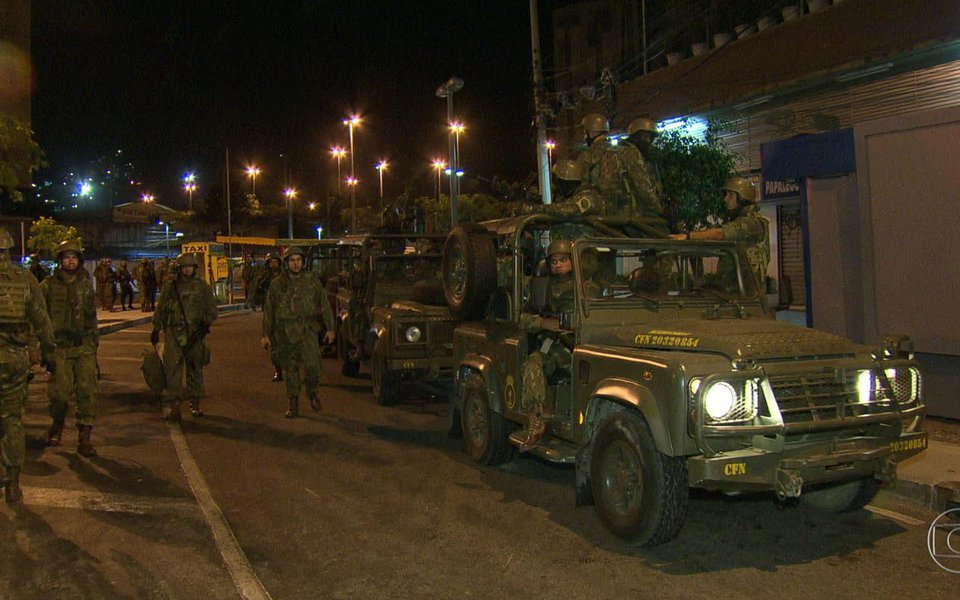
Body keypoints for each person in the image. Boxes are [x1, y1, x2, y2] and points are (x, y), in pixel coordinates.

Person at [0, 228, 56, 503]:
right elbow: (42, 321)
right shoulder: (25, 279)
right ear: (9, 250)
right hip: (13, 360)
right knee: (12, 418)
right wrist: (49, 354)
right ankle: (12, 482)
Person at [261, 246, 336, 418]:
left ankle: (312, 392)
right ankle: (293, 404)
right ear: (286, 263)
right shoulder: (277, 284)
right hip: (286, 332)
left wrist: (331, 328)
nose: (296, 264)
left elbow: (324, 304)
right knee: (290, 369)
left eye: (298, 260)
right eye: (292, 260)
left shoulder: (311, 280)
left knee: (313, 366)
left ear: (303, 262)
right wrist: (265, 334)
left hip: (307, 330)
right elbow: (269, 310)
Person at [40, 239, 99, 457]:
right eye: (66, 257)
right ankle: (57, 424)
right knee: (59, 395)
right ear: (60, 261)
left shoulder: (86, 285)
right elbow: (39, 317)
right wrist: (41, 348)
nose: (70, 261)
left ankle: (84, 437)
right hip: (59, 348)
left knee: (87, 392)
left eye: (74, 257)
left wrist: (94, 346)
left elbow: (92, 317)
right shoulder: (47, 286)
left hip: (83, 346)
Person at [518, 239, 577, 451]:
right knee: (532, 364)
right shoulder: (543, 288)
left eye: (563, 260)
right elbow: (522, 318)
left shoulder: (588, 287)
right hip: (556, 345)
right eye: (554, 262)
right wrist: (543, 323)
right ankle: (536, 421)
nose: (558, 265)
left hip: (585, 344)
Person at [669, 176, 771, 288]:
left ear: (742, 198)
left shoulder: (753, 223)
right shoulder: (737, 221)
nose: (725, 199)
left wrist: (688, 236)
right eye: (726, 195)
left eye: (730, 195)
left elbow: (720, 234)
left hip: (748, 296)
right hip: (731, 292)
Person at [151, 253, 218, 421]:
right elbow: (161, 308)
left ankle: (195, 404)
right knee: (172, 370)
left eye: (190, 267)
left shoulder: (202, 287)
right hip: (173, 333)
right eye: (184, 267)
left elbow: (212, 310)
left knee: (195, 369)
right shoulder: (171, 287)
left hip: (194, 334)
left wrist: (205, 326)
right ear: (179, 268)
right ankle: (174, 406)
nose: (187, 270)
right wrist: (156, 328)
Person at [596, 117, 665, 220]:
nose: (648, 141)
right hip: (632, 217)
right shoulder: (632, 153)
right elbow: (644, 189)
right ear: (636, 136)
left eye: (650, 138)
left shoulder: (611, 151)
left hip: (610, 215)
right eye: (645, 137)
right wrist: (661, 210)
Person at [255, 253, 284, 380]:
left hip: (285, 312)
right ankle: (278, 370)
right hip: (271, 311)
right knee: (274, 344)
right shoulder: (264, 277)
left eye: (275, 261)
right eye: (271, 262)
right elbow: (257, 291)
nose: (273, 264)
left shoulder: (285, 277)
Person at [576, 113, 611, 188]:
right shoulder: (623, 152)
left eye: (585, 133)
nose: (584, 137)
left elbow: (581, 186)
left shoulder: (586, 156)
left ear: (592, 133)